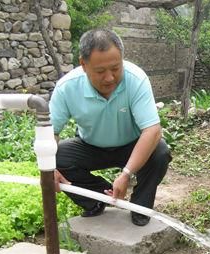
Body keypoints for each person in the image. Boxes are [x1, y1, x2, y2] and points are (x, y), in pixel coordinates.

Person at [49, 29, 171, 226]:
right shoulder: (67, 87)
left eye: (115, 68)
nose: (109, 78)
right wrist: (48, 168)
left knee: (159, 152)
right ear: (83, 64)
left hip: (131, 145)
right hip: (90, 147)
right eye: (100, 71)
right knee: (56, 157)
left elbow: (152, 130)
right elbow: (50, 131)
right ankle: (96, 198)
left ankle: (140, 207)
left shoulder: (136, 80)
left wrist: (126, 174)